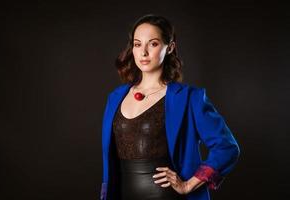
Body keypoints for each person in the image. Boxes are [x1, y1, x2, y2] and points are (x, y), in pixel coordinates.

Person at [100, 14, 240, 200]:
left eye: (153, 43)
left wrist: (189, 184)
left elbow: (227, 147)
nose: (143, 52)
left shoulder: (190, 98)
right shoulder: (116, 97)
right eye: (137, 44)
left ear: (170, 47)